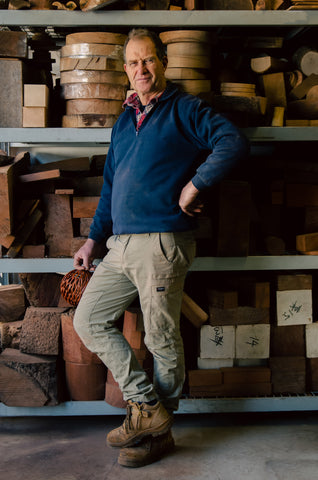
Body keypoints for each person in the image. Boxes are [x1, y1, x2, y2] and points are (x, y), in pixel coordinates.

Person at [73, 28, 248, 468]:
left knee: (161, 338)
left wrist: (195, 184)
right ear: (126, 70)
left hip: (162, 241)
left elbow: (233, 141)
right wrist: (93, 240)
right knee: (88, 319)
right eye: (133, 63)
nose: (141, 70)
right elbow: (112, 186)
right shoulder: (122, 121)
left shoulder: (184, 109)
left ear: (162, 62)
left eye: (148, 60)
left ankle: (157, 434)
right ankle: (148, 409)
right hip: (120, 245)